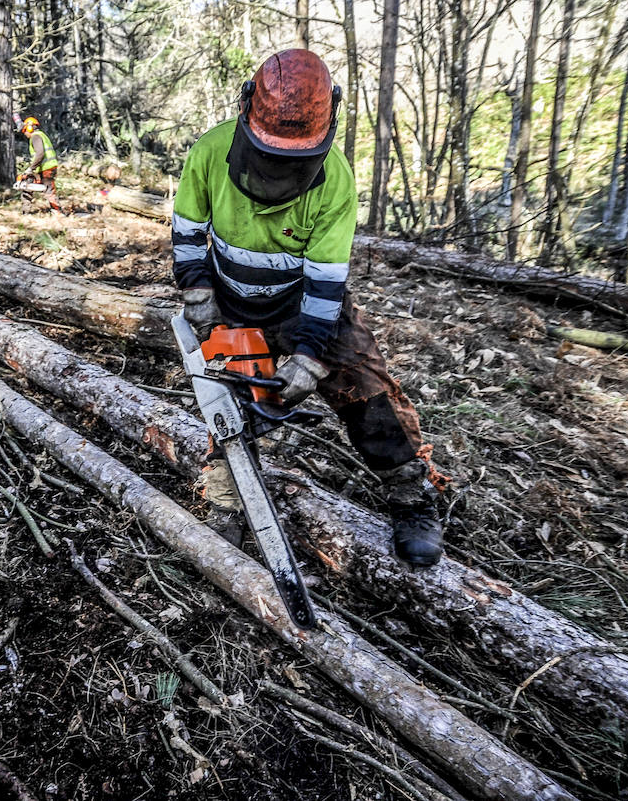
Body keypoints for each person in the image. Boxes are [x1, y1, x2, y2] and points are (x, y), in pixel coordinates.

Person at [172, 48, 445, 568]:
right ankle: (229, 500)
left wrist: (310, 351)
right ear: (248, 112)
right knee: (233, 403)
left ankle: (411, 495)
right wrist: (199, 293)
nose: (277, 171)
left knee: (367, 389)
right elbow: (188, 236)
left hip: (304, 304)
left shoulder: (335, 180)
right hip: (231, 300)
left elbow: (327, 282)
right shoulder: (210, 153)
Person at [17, 116, 60, 212]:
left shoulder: (35, 137)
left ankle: (57, 212)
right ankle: (25, 210)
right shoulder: (41, 135)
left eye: (25, 131)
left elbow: (40, 154)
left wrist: (31, 168)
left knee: (49, 191)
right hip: (43, 168)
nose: (25, 134)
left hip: (46, 168)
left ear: (29, 128)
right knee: (27, 184)